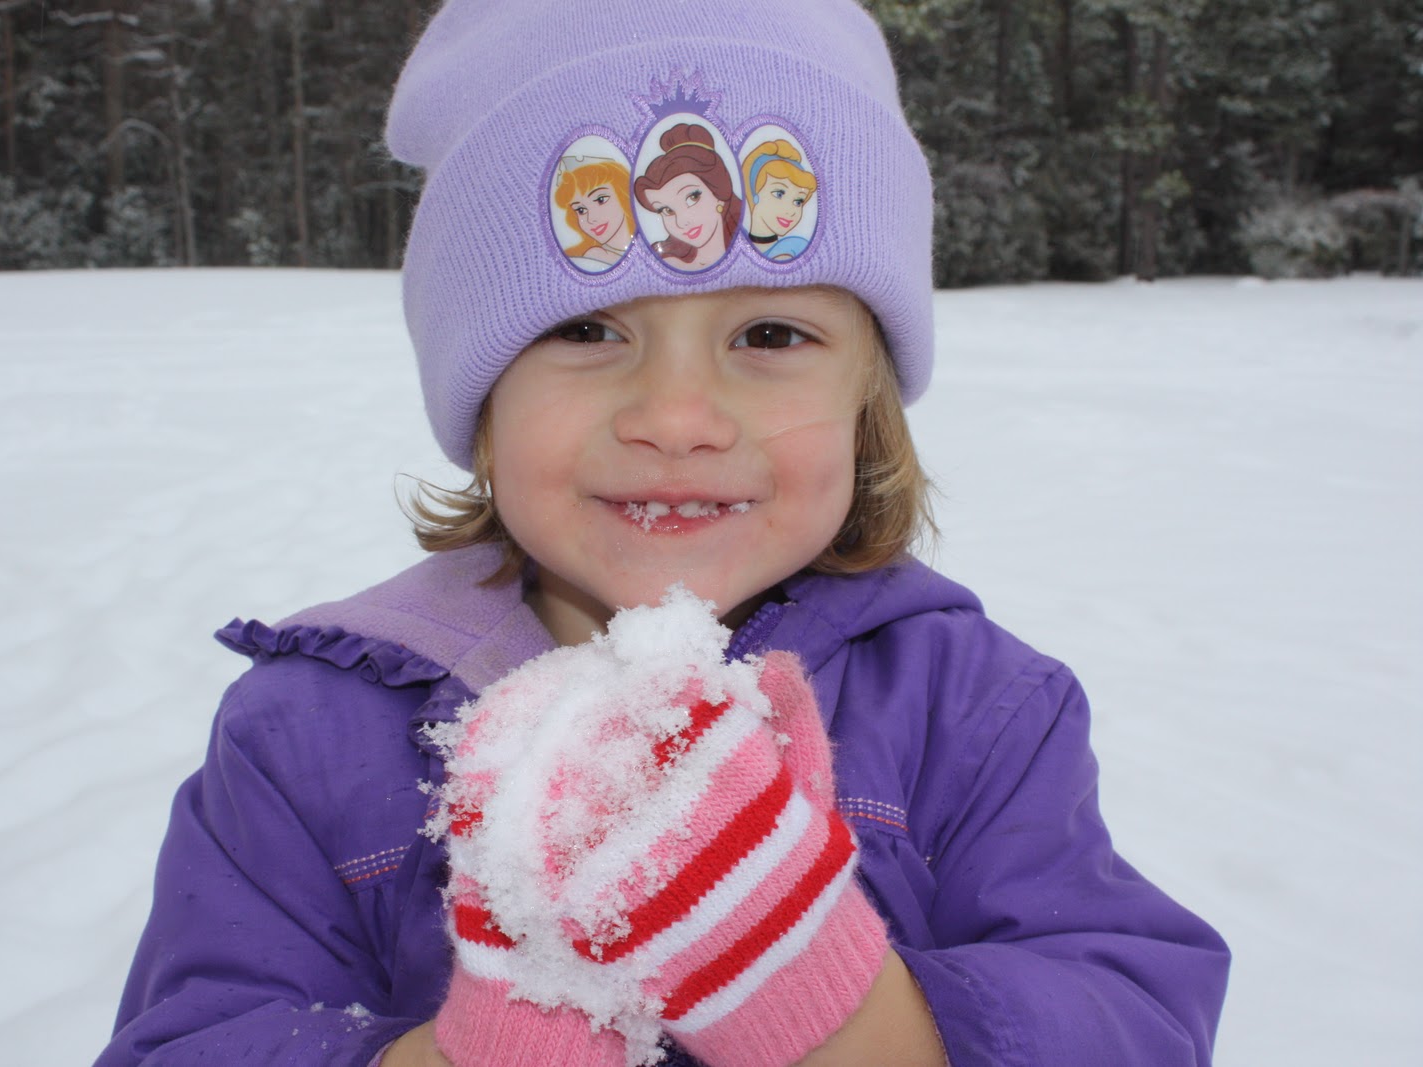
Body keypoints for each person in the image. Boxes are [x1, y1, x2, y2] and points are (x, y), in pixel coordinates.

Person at [97, 1, 1229, 1065]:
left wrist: (823, 1000)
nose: (677, 419)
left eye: (771, 332)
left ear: (866, 399)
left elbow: (1130, 1010)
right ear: (480, 397)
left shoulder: (970, 712)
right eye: (587, 326)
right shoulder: (307, 738)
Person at [633, 122, 743, 272]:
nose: (682, 222)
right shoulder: (667, 262)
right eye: (667, 210)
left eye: (693, 197)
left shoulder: (747, 244)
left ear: (719, 192)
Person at [554, 154, 636, 268]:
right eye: (581, 210)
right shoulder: (595, 256)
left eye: (600, 200)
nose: (591, 219)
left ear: (623, 193)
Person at [743, 138, 816, 262]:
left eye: (798, 202)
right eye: (779, 194)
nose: (791, 211)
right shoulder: (735, 238)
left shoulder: (794, 247)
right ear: (754, 191)